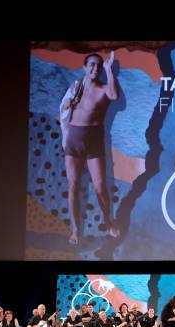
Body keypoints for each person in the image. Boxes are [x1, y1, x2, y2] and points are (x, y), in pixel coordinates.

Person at [59, 51, 120, 245]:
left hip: (94, 140)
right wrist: (68, 104)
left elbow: (113, 95)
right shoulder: (76, 87)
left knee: (100, 187)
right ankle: (75, 229)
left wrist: (110, 70)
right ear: (85, 67)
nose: (95, 68)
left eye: (99, 65)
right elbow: (64, 109)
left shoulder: (104, 88)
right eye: (91, 65)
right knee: (73, 186)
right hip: (74, 139)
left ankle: (108, 222)